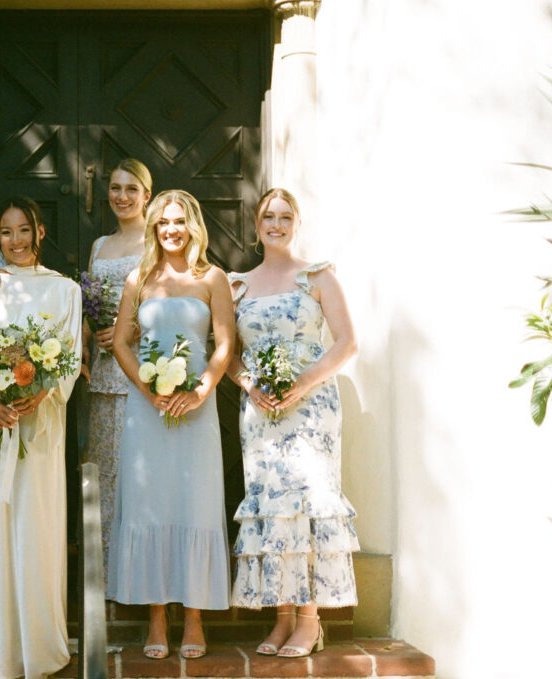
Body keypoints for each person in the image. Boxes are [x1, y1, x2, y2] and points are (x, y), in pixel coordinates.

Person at [0, 196, 82, 679]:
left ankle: (39, 648)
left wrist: (42, 391)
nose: (15, 240)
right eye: (6, 232)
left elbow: (67, 353)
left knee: (37, 525)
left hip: (40, 427)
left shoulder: (65, 290)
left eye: (23, 230)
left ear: (40, 231)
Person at [226, 188, 359, 658]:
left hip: (312, 409)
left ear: (296, 223)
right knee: (273, 508)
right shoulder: (236, 284)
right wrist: (249, 385)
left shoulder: (317, 276)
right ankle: (282, 617)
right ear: (256, 224)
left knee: (307, 503)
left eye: (285, 217)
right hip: (261, 412)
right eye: (268, 216)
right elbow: (228, 356)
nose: (276, 224)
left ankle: (310, 620)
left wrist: (301, 384)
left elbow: (346, 344)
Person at [107, 190, 235, 660]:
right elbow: (122, 342)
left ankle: (195, 617)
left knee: (196, 505)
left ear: (192, 225)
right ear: (154, 228)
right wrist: (147, 391)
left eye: (179, 221)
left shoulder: (212, 278)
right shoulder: (138, 278)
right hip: (148, 410)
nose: (171, 230)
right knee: (150, 506)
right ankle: (157, 617)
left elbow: (224, 343)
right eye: (163, 223)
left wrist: (201, 389)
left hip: (197, 410)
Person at [82, 159, 152, 590]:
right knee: (104, 472)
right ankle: (105, 576)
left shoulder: (156, 242)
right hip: (102, 375)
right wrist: (88, 345)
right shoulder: (99, 244)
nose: (121, 196)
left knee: (137, 472)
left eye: (131, 189)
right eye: (115, 187)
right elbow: (89, 306)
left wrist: (132, 329)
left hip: (142, 371)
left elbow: (169, 296)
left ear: (147, 194)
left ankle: (140, 575)